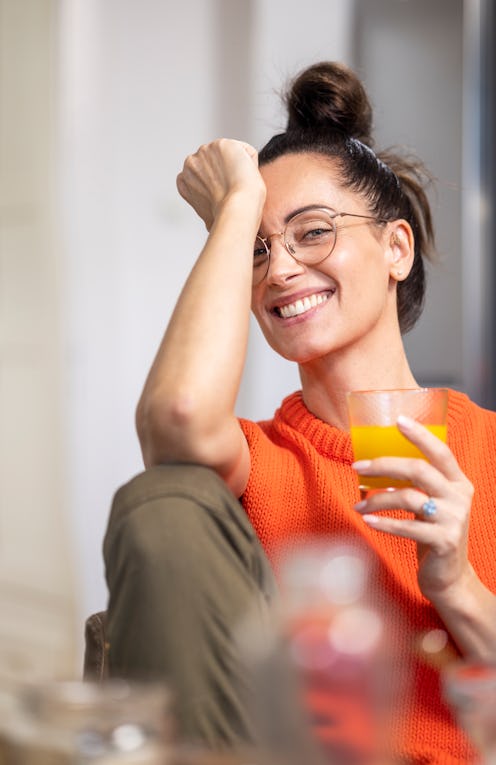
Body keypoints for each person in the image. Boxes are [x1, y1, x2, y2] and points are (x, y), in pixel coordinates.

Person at [103, 61, 496, 764]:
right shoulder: (256, 461)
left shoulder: (489, 447)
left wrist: (454, 580)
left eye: (312, 232)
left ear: (395, 248)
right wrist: (233, 205)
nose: (279, 269)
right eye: (257, 250)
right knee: (161, 496)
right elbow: (180, 413)